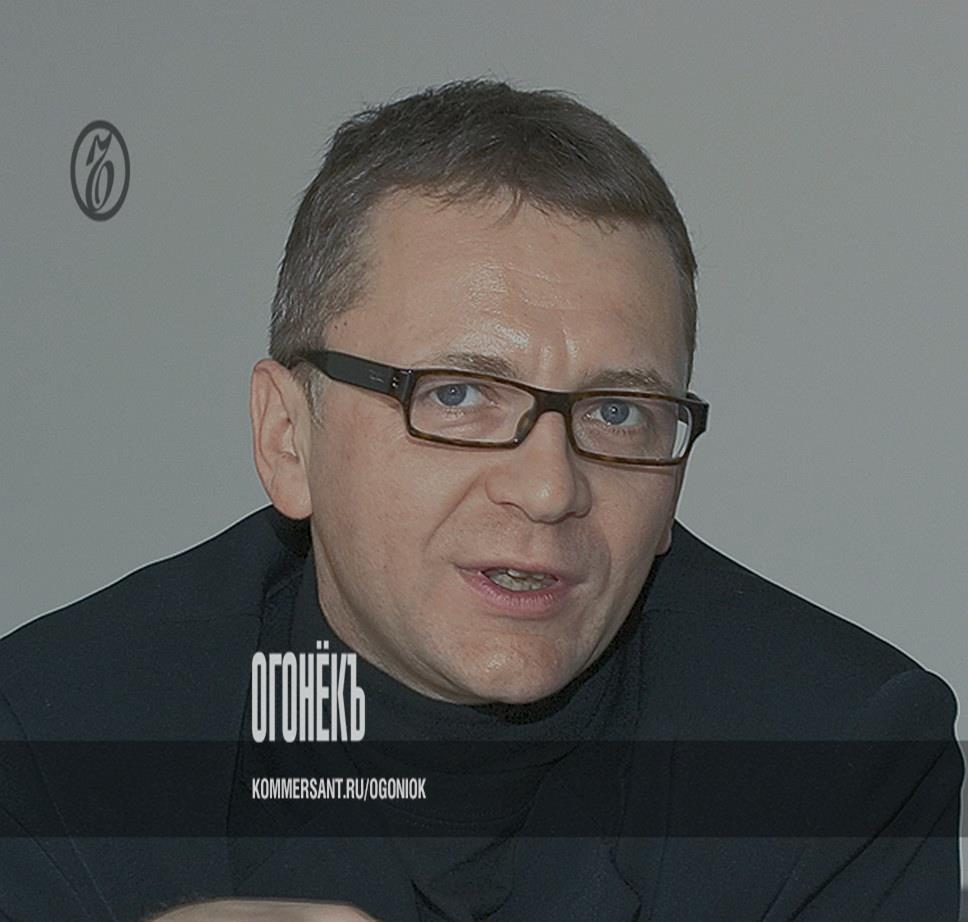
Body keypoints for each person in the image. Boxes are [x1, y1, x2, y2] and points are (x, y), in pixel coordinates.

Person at [0, 81, 961, 921]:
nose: (550, 489)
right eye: (457, 395)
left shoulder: (830, 757)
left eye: (618, 413)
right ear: (290, 439)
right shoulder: (58, 741)